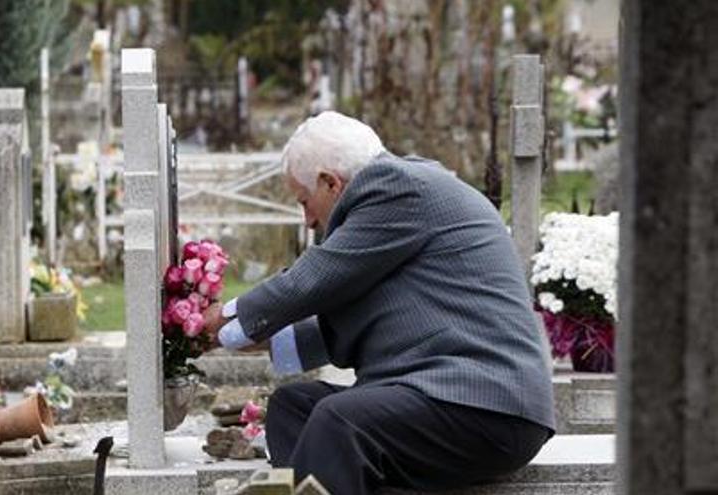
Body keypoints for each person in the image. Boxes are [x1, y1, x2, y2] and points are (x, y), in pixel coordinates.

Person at [203, 111, 555, 495]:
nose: (307, 220)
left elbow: (313, 277)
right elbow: (355, 315)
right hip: (444, 396)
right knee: (293, 407)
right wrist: (261, 338)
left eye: (305, 202)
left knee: (338, 420)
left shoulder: (396, 186)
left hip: (485, 402)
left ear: (330, 183)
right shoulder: (394, 205)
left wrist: (224, 319)